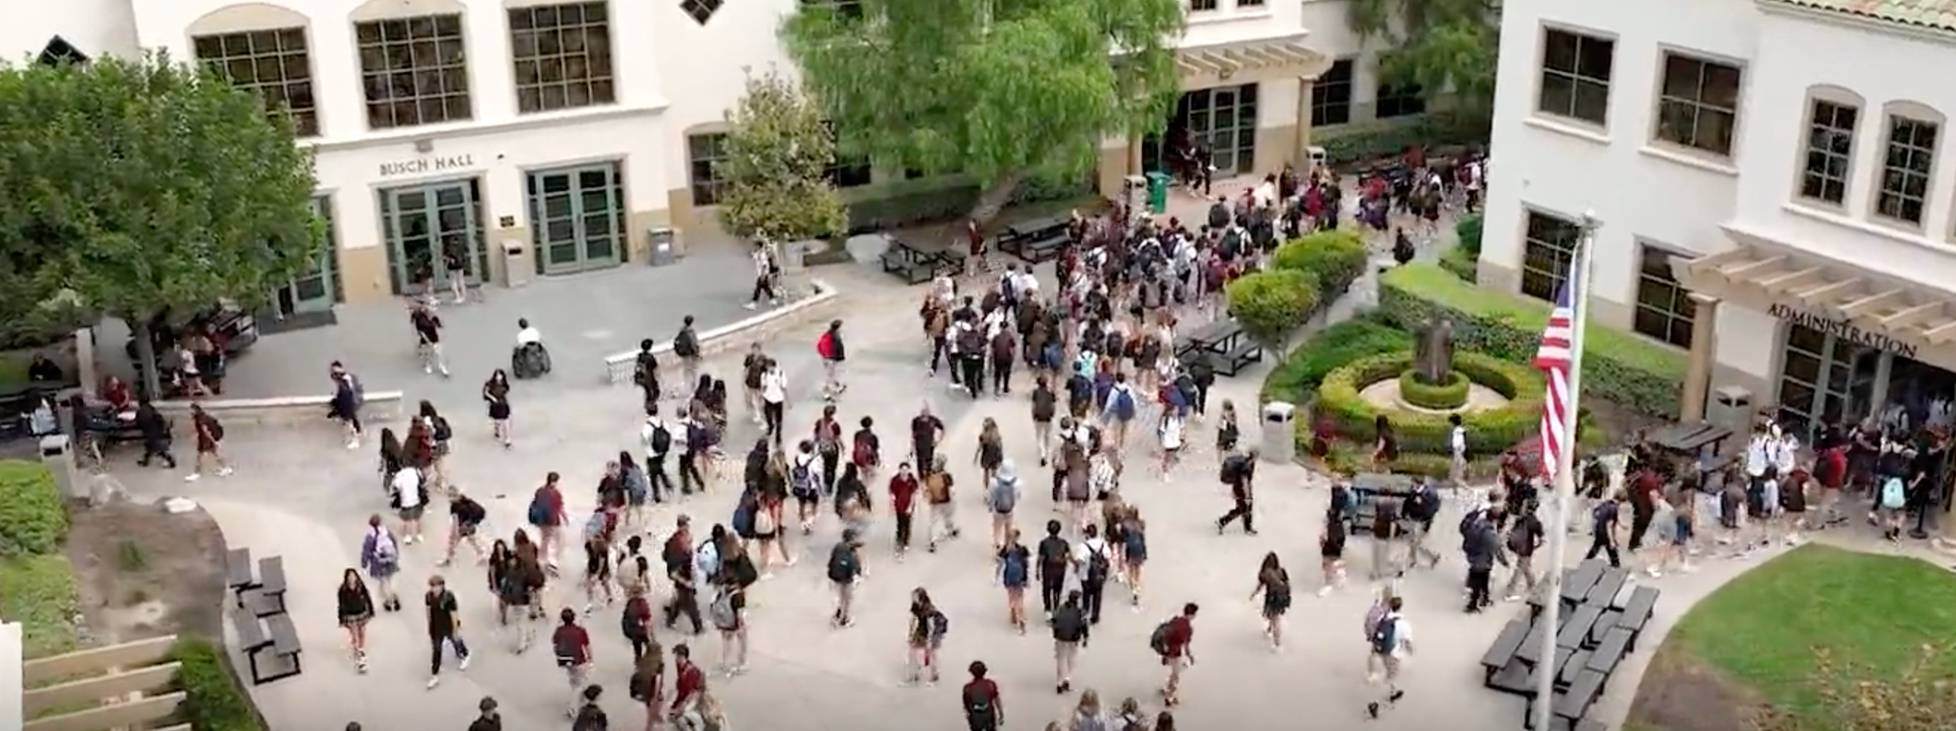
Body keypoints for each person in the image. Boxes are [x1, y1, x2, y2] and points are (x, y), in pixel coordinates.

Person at [1364, 594, 1412, 719]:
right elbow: (1407, 641)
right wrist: (1410, 651)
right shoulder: (1402, 623)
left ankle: (1393, 692)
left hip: (1377, 649)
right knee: (1389, 676)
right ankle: (1374, 703)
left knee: (1381, 674)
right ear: (1400, 607)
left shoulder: (1383, 618)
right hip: (1392, 654)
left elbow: (1372, 628)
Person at [423, 575, 471, 688]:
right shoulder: (428, 596)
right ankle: (434, 674)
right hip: (436, 626)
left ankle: (465, 654)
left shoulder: (448, 597)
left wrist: (455, 629)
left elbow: (453, 614)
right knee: (436, 649)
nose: (434, 589)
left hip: (448, 625)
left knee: (456, 640)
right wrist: (429, 625)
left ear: (442, 586)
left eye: (437, 586)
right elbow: (428, 610)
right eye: (432, 587)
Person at [1463, 506, 1507, 613]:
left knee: (1482, 580)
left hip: (1474, 556)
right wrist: (1504, 561)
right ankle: (1473, 605)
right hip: (1482, 560)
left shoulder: (1478, 524)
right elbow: (1496, 547)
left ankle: (1484, 598)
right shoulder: (1488, 532)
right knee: (1479, 583)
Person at [553, 608, 595, 718]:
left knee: (574, 679)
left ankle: (577, 696)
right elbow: (587, 646)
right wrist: (590, 658)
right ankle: (572, 708)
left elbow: (555, 644)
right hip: (578, 660)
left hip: (565, 660)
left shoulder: (559, 631)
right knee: (580, 684)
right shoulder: (580, 630)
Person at [1156, 603, 1198, 707]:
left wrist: (1164, 655)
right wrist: (1190, 657)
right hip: (1175, 653)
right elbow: (1186, 647)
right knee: (1176, 675)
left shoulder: (1175, 620)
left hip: (1166, 650)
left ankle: (1166, 689)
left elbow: (1166, 635)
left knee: (1174, 671)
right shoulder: (1188, 628)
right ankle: (1169, 697)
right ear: (1192, 615)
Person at [360, 514, 403, 612]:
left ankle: (391, 600)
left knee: (384, 582)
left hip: (378, 562)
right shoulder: (386, 532)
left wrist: (364, 564)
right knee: (388, 580)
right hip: (390, 560)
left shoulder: (370, 536)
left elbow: (366, 551)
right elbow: (394, 543)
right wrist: (395, 556)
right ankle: (386, 598)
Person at [905, 588, 948, 685]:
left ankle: (934, 674)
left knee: (931, 654)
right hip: (921, 631)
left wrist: (929, 640)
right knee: (912, 652)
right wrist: (911, 633)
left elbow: (931, 626)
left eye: (914, 596)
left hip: (931, 633)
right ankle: (915, 673)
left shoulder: (929, 609)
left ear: (921, 597)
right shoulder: (915, 605)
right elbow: (913, 619)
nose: (912, 598)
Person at [1249, 552, 1291, 650]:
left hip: (1273, 597)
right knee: (1272, 616)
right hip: (1283, 596)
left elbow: (1260, 585)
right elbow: (1287, 584)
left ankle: (1278, 644)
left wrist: (1254, 594)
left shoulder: (1265, 573)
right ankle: (1269, 630)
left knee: (1274, 618)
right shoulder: (1282, 571)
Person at [1502, 504, 1544, 601]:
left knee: (1525, 565)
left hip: (1519, 547)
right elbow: (1540, 533)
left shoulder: (1521, 518)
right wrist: (1539, 542)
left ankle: (1531, 583)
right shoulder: (1533, 520)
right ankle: (1509, 592)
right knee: (1520, 569)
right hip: (1526, 548)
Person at [337, 568, 375, 673]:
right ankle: (357, 649)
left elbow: (368, 598)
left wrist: (371, 610)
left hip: (361, 612)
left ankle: (361, 648)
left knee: (362, 632)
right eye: (350, 576)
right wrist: (341, 618)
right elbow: (341, 604)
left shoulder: (360, 586)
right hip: (350, 614)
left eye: (353, 576)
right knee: (354, 634)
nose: (352, 578)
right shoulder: (343, 589)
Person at [1051, 590, 1089, 693]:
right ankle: (1067, 679)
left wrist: (1055, 634)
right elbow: (1084, 625)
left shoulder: (1061, 608)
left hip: (1060, 637)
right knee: (1071, 659)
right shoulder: (1080, 611)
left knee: (1060, 659)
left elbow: (1054, 620)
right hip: (1073, 638)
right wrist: (1085, 638)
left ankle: (1059, 682)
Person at [1074, 524, 1112, 624]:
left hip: (1085, 575)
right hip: (1099, 574)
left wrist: (1076, 568)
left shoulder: (1083, 546)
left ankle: (1085, 611)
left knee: (1086, 594)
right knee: (1097, 595)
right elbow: (1108, 556)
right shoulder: (1103, 544)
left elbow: (1080, 560)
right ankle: (1095, 616)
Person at [828, 527, 865, 627]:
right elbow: (856, 565)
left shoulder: (838, 546)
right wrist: (858, 575)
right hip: (847, 578)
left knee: (840, 597)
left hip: (836, 577)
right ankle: (845, 619)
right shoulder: (852, 551)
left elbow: (832, 560)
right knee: (848, 598)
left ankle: (837, 614)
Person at [184, 403, 232, 481]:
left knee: (199, 456)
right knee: (215, 454)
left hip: (205, 440)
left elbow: (206, 431)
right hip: (206, 439)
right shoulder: (203, 416)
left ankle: (196, 473)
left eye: (191, 410)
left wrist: (213, 441)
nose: (189, 412)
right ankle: (226, 468)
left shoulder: (200, 419)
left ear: (195, 411)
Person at [1215, 448, 1258, 535]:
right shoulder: (1247, 465)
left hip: (1238, 488)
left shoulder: (1246, 462)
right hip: (1242, 490)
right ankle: (1246, 528)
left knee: (1242, 508)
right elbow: (1244, 481)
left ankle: (1224, 521)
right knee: (1245, 508)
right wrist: (1247, 495)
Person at [1402, 477, 1441, 569]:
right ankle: (1413, 560)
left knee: (1416, 543)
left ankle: (1431, 557)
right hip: (1413, 518)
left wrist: (1422, 504)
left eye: (1413, 483)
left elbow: (1434, 507)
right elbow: (1407, 502)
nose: (1412, 485)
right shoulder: (1413, 491)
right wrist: (1404, 513)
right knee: (1412, 542)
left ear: (1418, 483)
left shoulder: (1430, 493)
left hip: (1422, 520)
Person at [441, 491, 488, 567]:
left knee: (453, 543)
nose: (449, 499)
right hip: (470, 523)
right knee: (472, 540)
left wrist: (454, 533)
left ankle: (447, 560)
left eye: (450, 496)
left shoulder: (455, 506)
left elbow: (455, 521)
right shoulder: (464, 500)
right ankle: (482, 554)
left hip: (464, 526)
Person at [998, 528, 1031, 634]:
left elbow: (1000, 563)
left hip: (1009, 576)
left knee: (1011, 596)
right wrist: (1026, 578)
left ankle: (1013, 614)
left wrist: (996, 577)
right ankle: (1020, 617)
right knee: (1019, 597)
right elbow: (1026, 564)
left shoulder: (1006, 550)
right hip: (1020, 577)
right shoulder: (1023, 550)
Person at [530, 472, 567, 565]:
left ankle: (542, 558)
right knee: (556, 540)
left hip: (541, 521)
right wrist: (565, 517)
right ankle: (552, 560)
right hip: (552, 521)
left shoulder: (540, 491)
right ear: (554, 481)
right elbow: (560, 508)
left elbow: (535, 504)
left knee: (545, 540)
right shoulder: (555, 493)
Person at [925, 454, 960, 551]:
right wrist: (953, 501)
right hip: (946, 501)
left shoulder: (929, 475)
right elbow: (952, 491)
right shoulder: (947, 476)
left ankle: (932, 541)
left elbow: (927, 488)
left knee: (933, 522)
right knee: (948, 517)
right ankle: (951, 530)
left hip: (934, 502)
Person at [1037, 520, 1070, 619]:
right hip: (1060, 569)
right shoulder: (1063, 543)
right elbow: (1068, 556)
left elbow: (1041, 557)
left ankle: (1048, 609)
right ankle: (1056, 607)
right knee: (1057, 589)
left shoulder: (1044, 543)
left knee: (1046, 589)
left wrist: (1037, 570)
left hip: (1048, 568)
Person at [669, 643, 708, 726]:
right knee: (672, 713)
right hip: (685, 693)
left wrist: (682, 707)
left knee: (681, 719)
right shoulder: (680, 665)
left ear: (682, 656)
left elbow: (692, 693)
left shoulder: (690, 671)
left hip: (694, 696)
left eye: (677, 656)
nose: (675, 658)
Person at [988, 460, 1021, 551]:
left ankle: (997, 544)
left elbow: (991, 495)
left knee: (997, 528)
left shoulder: (994, 481)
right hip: (1009, 509)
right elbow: (1018, 496)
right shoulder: (1017, 482)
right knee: (1008, 527)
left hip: (998, 509)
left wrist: (990, 506)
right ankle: (1007, 545)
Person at [410, 301, 450, 377]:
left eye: (434, 307)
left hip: (434, 337)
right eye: (431, 307)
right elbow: (420, 331)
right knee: (429, 353)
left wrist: (441, 337)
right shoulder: (420, 317)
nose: (432, 309)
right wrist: (428, 341)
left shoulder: (434, 317)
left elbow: (440, 326)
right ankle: (428, 365)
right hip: (425, 337)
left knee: (439, 353)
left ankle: (443, 367)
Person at [961, 661, 1004, 731]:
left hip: (975, 718)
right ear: (984, 671)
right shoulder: (991, 684)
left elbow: (967, 706)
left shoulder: (967, 688)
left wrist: (969, 717)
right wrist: (1001, 714)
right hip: (989, 716)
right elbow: (997, 700)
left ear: (972, 673)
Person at [133, 398, 176, 469]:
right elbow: (159, 418)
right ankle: (145, 461)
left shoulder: (141, 411)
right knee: (150, 447)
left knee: (157, 448)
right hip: (156, 430)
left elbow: (138, 423)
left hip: (150, 432)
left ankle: (171, 461)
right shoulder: (151, 409)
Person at [889, 461, 920, 558]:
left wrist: (910, 507)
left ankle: (906, 541)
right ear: (899, 470)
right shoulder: (895, 480)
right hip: (898, 505)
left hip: (908, 505)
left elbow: (913, 494)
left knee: (907, 524)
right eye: (902, 470)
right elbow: (892, 492)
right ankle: (899, 540)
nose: (904, 472)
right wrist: (892, 500)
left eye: (906, 470)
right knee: (899, 523)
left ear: (909, 470)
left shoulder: (912, 481)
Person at [1587, 490, 1625, 568]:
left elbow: (1597, 514)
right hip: (1605, 532)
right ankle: (1616, 565)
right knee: (1611, 548)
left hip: (1598, 529)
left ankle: (1587, 561)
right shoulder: (1614, 508)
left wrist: (1621, 525)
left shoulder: (1606, 504)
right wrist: (1612, 540)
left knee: (1596, 546)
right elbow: (1609, 525)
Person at [330, 364, 364, 449]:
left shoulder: (345, 381)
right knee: (351, 422)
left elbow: (347, 394)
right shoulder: (349, 379)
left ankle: (355, 440)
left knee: (350, 422)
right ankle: (355, 438)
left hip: (349, 404)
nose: (334, 376)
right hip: (351, 403)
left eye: (336, 373)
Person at [1032, 376, 1058, 467]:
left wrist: (1033, 416)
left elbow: (1034, 405)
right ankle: (1047, 454)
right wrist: (1052, 415)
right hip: (1048, 417)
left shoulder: (1035, 392)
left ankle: (1042, 454)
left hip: (1038, 417)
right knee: (1047, 436)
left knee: (1039, 437)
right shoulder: (1051, 392)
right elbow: (1053, 405)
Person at [818, 319, 847, 400]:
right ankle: (828, 393)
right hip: (832, 358)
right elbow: (838, 348)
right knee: (830, 376)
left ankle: (835, 388)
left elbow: (819, 346)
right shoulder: (835, 337)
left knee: (832, 375)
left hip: (828, 358)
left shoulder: (828, 335)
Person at [483, 370, 513, 448]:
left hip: (503, 404)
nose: (499, 377)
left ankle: (507, 439)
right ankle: (497, 430)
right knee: (497, 421)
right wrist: (492, 398)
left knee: (506, 422)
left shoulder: (504, 384)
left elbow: (506, 391)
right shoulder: (490, 384)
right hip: (495, 405)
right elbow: (486, 393)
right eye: (498, 375)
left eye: (500, 375)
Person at [747, 239, 780, 309]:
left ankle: (754, 303)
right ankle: (772, 300)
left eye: (755, 246)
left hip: (763, 273)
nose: (754, 247)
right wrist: (749, 254)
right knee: (766, 287)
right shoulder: (758, 253)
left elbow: (764, 265)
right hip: (762, 274)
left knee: (758, 288)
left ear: (758, 246)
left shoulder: (762, 254)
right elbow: (753, 256)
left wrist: (762, 275)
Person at [761, 357, 787, 441]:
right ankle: (770, 426)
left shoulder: (780, 374)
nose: (769, 369)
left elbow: (784, 386)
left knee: (778, 419)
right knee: (768, 415)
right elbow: (763, 386)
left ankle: (778, 435)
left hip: (778, 399)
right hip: (768, 398)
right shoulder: (764, 375)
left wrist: (787, 399)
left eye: (770, 367)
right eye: (767, 367)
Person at [674, 315, 702, 390]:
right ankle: (694, 384)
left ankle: (687, 384)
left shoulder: (681, 330)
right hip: (691, 352)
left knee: (686, 369)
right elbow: (693, 343)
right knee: (694, 368)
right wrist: (697, 353)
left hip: (684, 353)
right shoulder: (691, 331)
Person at [633, 339, 661, 409]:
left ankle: (647, 405)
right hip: (649, 377)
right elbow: (655, 366)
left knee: (648, 392)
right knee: (655, 392)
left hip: (641, 378)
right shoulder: (650, 357)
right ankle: (650, 406)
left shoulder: (640, 356)